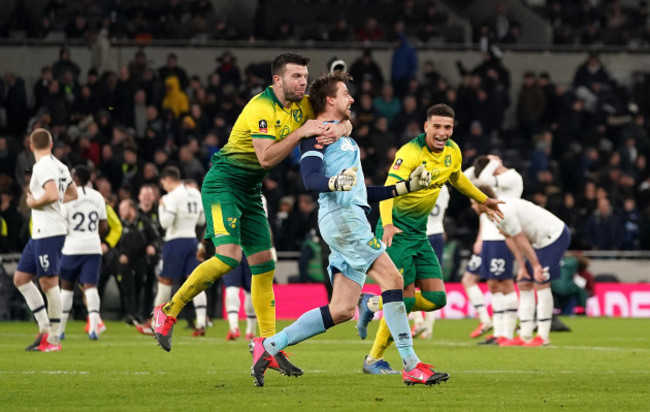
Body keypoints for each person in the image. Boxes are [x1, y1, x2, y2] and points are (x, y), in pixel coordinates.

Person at [152, 53, 350, 376]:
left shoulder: (302, 105)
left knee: (264, 266)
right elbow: (266, 159)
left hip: (249, 191)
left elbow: (342, 116)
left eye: (305, 76)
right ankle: (168, 310)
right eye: (296, 76)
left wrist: (341, 129)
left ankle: (267, 344)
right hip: (223, 184)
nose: (303, 82)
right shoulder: (261, 108)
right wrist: (302, 133)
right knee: (228, 258)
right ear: (277, 81)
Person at [249, 71, 441, 388]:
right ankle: (411, 364)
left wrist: (404, 188)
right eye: (345, 93)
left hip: (348, 217)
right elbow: (309, 179)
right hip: (342, 219)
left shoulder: (343, 135)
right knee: (393, 278)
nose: (351, 98)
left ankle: (269, 346)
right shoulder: (316, 136)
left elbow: (362, 194)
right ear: (329, 100)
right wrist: (334, 182)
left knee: (341, 310)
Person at [356, 104, 505, 374]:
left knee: (437, 298)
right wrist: (387, 224)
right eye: (436, 126)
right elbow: (389, 189)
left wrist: (484, 199)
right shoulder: (410, 153)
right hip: (397, 234)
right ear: (426, 126)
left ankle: (371, 303)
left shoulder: (453, 151)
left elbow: (457, 178)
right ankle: (373, 359)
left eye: (447, 127)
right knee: (405, 299)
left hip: (419, 234)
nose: (442, 132)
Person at [474, 185, 571, 346]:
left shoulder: (504, 212)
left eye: (473, 202)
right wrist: (523, 268)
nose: (472, 206)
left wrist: (535, 266)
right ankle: (525, 334)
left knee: (541, 280)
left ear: (482, 201)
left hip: (553, 236)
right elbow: (511, 239)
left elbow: (520, 239)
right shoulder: (493, 214)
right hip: (538, 241)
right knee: (525, 282)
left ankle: (543, 336)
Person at [13, 128, 78, 352]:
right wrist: (52, 201)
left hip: (49, 231)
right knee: (20, 278)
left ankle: (53, 338)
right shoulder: (60, 166)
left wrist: (33, 203)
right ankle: (43, 329)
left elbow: (51, 194)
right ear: (50, 144)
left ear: (31, 147)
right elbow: (73, 194)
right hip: (41, 232)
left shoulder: (43, 166)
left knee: (49, 282)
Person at [462, 155, 524, 345]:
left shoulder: (512, 178)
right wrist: (478, 164)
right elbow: (464, 178)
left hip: (502, 235)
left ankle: (507, 333)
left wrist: (493, 163)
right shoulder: (489, 178)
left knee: (504, 283)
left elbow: (484, 180)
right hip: (489, 237)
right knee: (492, 284)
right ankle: (498, 332)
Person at [153, 166, 208, 336]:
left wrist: (161, 207)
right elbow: (202, 220)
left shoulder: (171, 196)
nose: (164, 188)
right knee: (195, 281)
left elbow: (165, 223)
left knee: (165, 281)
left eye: (164, 184)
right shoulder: (195, 193)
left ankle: (155, 323)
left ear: (168, 180)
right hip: (192, 240)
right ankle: (201, 323)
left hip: (175, 241)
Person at [59, 165, 108, 340]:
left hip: (72, 247)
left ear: (77, 179)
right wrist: (91, 236)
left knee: (66, 287)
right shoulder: (98, 196)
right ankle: (94, 328)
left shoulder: (68, 197)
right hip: (93, 247)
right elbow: (104, 226)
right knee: (91, 286)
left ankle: (60, 330)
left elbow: (62, 226)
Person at [410, 184, 449, 339]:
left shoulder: (418, 183)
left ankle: (419, 321)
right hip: (438, 232)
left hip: (420, 232)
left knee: (410, 278)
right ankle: (428, 329)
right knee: (432, 281)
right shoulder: (444, 188)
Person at [117, 199, 161, 329]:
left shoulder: (144, 222)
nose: (121, 212)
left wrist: (152, 246)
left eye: (123, 209)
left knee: (143, 288)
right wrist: (120, 254)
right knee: (127, 288)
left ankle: (144, 315)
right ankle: (131, 314)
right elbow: (114, 242)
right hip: (126, 261)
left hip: (143, 261)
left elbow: (156, 238)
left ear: (131, 209)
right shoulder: (119, 225)